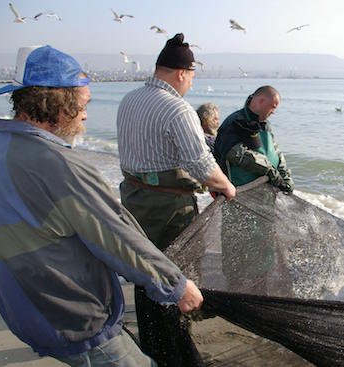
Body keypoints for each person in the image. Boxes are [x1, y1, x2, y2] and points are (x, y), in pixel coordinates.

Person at [0, 45, 203, 366]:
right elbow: (116, 235)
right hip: (71, 317)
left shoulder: (0, 149)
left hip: (25, 308)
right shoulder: (57, 164)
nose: (85, 115)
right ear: (58, 103)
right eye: (83, 105)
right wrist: (176, 286)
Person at [116, 33, 236, 367]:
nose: (191, 86)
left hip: (133, 199)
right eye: (192, 77)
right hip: (168, 208)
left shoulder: (129, 100)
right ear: (182, 73)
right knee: (173, 274)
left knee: (145, 269)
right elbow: (201, 164)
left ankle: (154, 342)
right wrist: (226, 187)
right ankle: (172, 350)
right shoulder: (178, 109)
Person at [213, 85, 293, 192]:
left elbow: (275, 151)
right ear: (261, 101)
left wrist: (285, 176)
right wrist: (269, 170)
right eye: (273, 107)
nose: (274, 112)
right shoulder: (233, 123)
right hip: (239, 191)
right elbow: (235, 154)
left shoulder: (265, 125)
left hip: (265, 190)